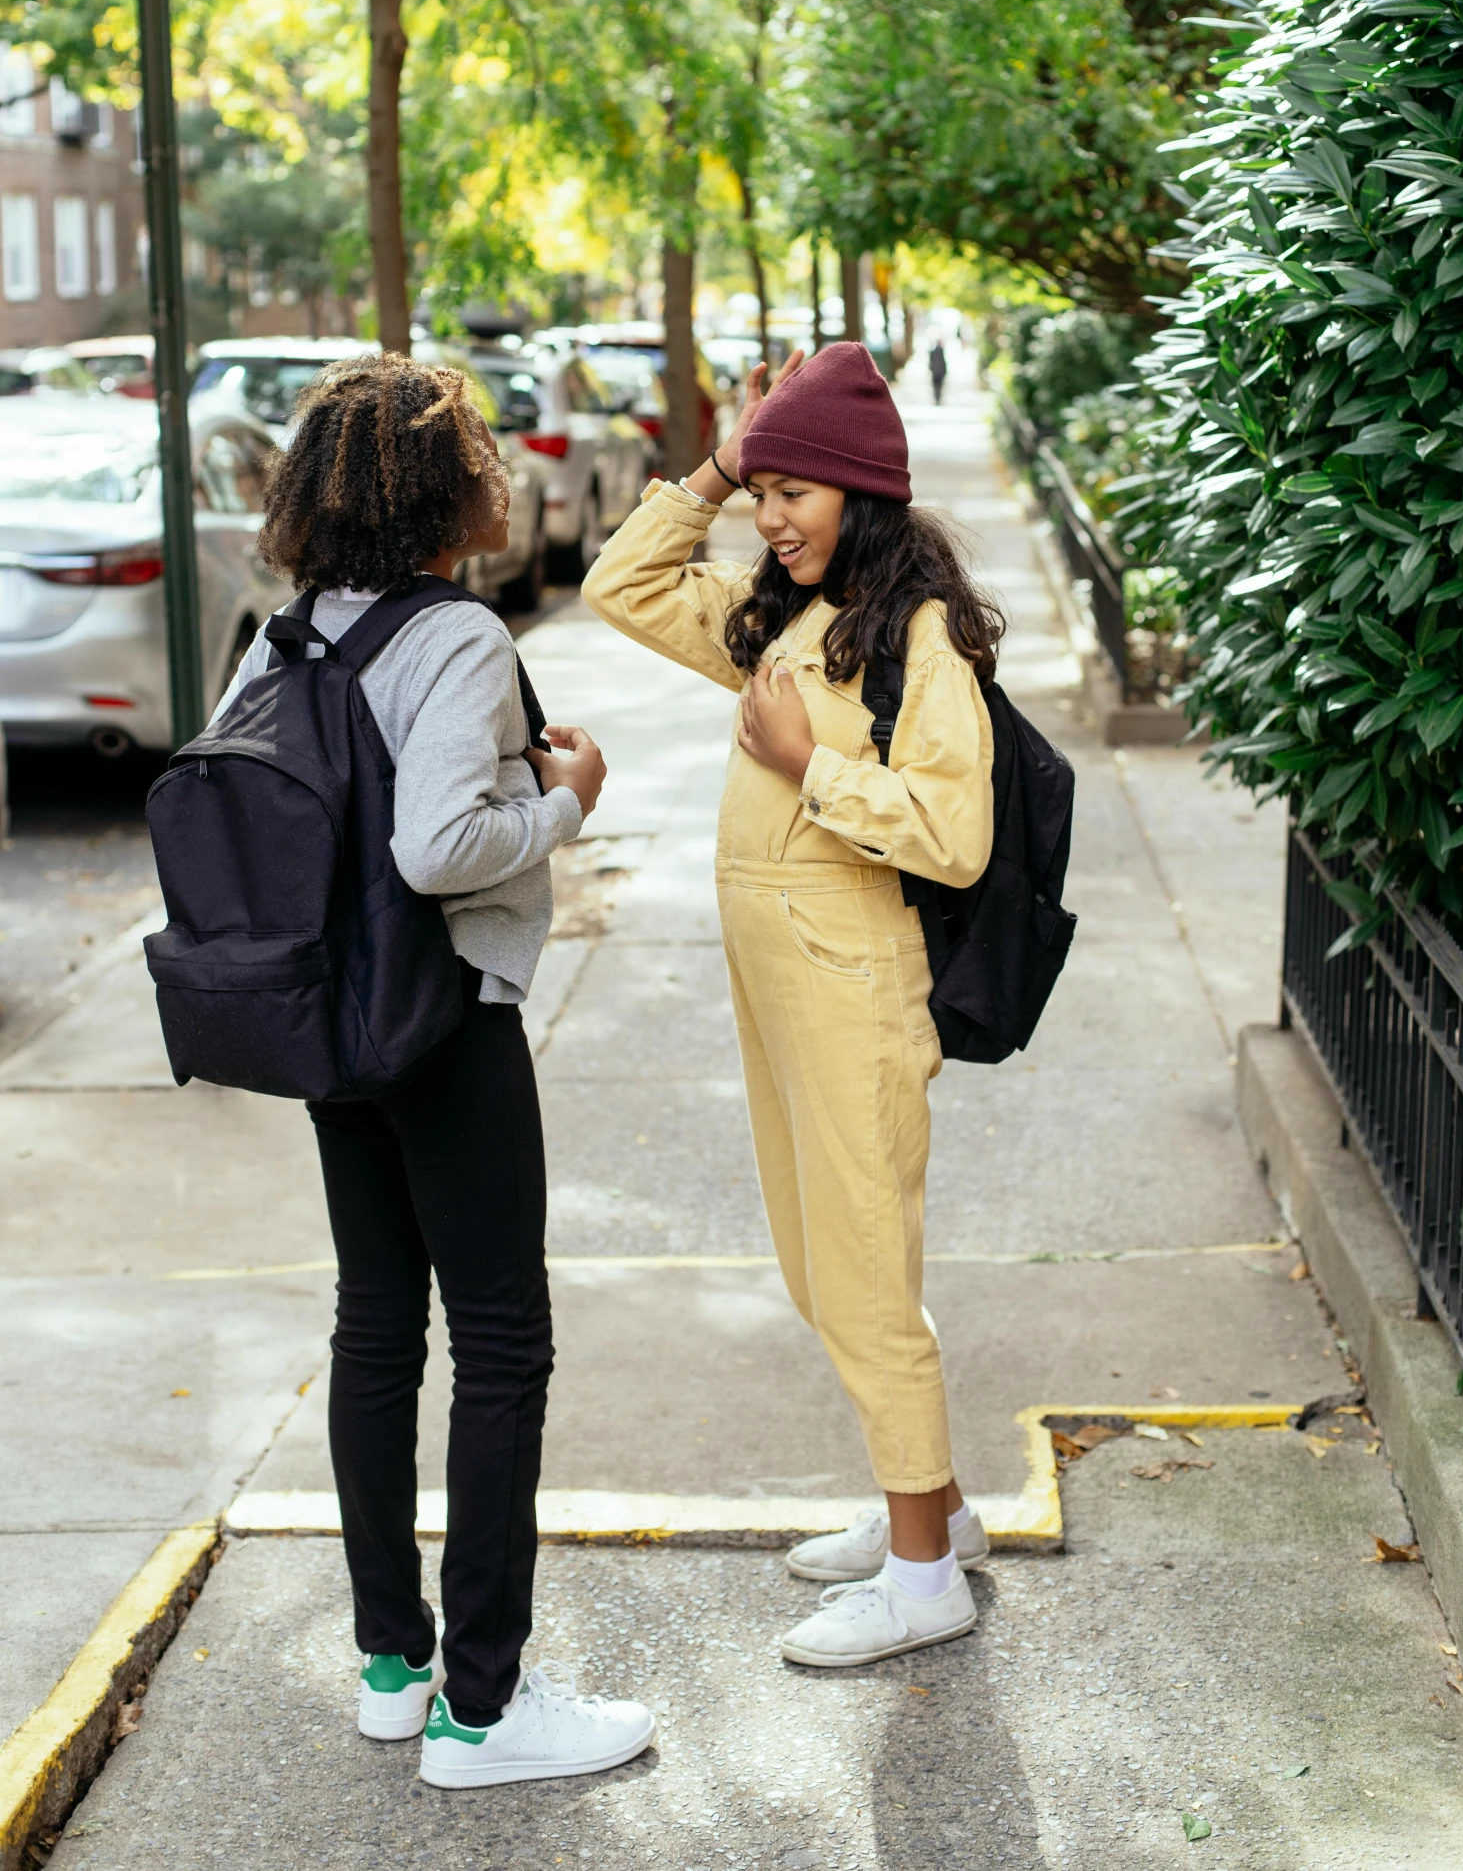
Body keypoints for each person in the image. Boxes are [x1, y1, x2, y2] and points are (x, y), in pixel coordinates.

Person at [216, 354, 655, 1787]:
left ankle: (394, 1667)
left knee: (374, 1331)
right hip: (448, 1019)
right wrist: (565, 800)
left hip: (333, 1028)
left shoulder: (285, 636)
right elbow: (437, 848)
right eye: (476, 451)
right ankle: (483, 1708)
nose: (495, 472)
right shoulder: (456, 635)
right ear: (442, 485)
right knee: (502, 1345)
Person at [583, 342, 1001, 1669]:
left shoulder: (913, 639)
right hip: (775, 993)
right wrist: (715, 457)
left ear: (861, 491)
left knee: (865, 1275)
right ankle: (926, 1509)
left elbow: (954, 832)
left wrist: (809, 763)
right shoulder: (782, 623)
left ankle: (922, 1574)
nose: (770, 517)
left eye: (794, 489)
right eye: (759, 490)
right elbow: (620, 580)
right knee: (820, 1267)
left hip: (852, 992)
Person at [927, 339, 948, 405]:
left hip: (935, 372)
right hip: (940, 372)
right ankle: (938, 398)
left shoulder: (933, 352)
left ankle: (937, 398)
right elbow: (943, 362)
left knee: (936, 386)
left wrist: (931, 369)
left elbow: (930, 362)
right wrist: (945, 371)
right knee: (939, 386)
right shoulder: (941, 351)